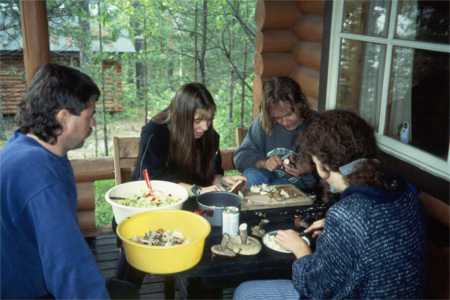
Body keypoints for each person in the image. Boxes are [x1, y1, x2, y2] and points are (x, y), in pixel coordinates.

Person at [233, 110, 426, 299]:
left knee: (245, 292)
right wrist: (338, 229)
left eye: (315, 162)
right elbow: (376, 234)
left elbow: (315, 289)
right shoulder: (405, 191)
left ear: (325, 166)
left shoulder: (348, 215)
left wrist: (300, 248)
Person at [0, 64, 109, 299]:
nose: (94, 125)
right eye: (90, 116)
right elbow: (69, 266)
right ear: (63, 118)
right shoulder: (36, 172)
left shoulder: (28, 146)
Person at [131, 82, 245, 191]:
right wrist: (198, 190)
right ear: (181, 117)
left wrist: (221, 180)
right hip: (159, 204)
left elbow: (212, 175)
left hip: (195, 203)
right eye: (197, 120)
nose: (205, 127)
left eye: (209, 120)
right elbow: (150, 181)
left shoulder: (210, 136)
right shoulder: (155, 133)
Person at [233, 76, 317, 191]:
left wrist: (310, 167)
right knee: (252, 176)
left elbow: (336, 166)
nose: (284, 122)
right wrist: (264, 163)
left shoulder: (317, 125)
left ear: (300, 104)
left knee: (279, 185)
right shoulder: (263, 123)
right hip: (266, 182)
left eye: (288, 115)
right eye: (277, 118)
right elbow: (240, 158)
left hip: (301, 189)